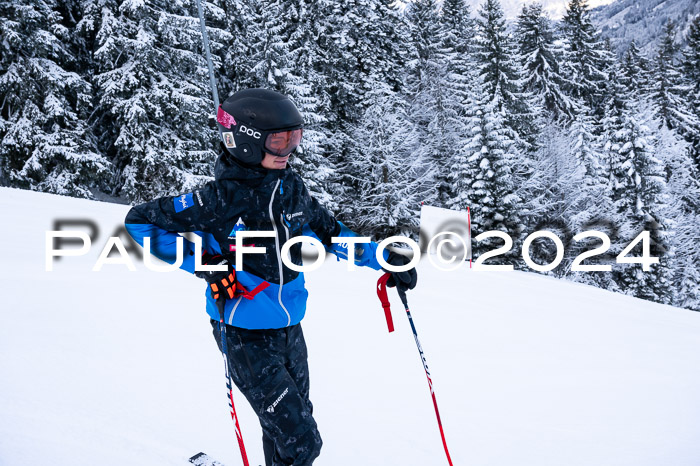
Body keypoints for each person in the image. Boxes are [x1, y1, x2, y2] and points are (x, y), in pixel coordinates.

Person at [124, 88, 417, 466]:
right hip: (244, 332)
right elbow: (139, 221)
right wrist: (207, 265)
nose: (288, 151)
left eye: (293, 139)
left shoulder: (291, 189)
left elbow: (332, 233)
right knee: (302, 443)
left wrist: (384, 258)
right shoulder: (219, 200)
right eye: (278, 142)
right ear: (246, 143)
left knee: (285, 432)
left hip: (291, 328)